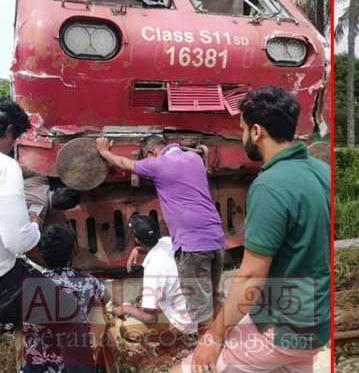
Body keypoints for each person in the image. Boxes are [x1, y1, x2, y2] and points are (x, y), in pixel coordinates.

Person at [176, 86, 331, 373]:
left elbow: (249, 277)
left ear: (257, 131)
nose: (242, 136)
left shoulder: (270, 186)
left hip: (285, 328)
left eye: (243, 129)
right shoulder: (323, 173)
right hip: (317, 323)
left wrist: (212, 338)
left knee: (189, 369)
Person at [95, 134, 225, 329]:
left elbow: (123, 162)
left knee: (200, 313)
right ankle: (224, 335)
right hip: (216, 237)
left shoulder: (157, 164)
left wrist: (104, 151)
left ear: (150, 153)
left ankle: (206, 353)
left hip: (192, 245)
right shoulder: (194, 158)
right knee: (213, 295)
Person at [20, 223, 110, 373]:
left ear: (41, 253)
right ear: (74, 251)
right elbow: (106, 299)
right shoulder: (88, 282)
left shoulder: (28, 284)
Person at [112, 214, 197, 344]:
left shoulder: (152, 269)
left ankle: (176, 339)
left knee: (125, 328)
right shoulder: (168, 241)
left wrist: (125, 309)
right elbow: (158, 251)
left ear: (137, 240)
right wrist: (138, 249)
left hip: (183, 322)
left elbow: (148, 316)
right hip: (195, 311)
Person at [0, 96, 43, 326]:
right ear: (8, 131)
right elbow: (17, 243)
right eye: (14, 138)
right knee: (64, 309)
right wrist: (35, 225)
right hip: (3, 281)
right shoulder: (5, 167)